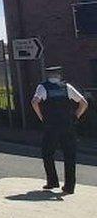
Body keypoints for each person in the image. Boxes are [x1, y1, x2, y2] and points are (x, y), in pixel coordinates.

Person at [31, 66, 88, 195]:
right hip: (68, 125)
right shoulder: (66, 87)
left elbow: (34, 102)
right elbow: (84, 103)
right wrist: (76, 116)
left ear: (47, 75)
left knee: (47, 153)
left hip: (51, 126)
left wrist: (41, 117)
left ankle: (52, 181)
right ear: (59, 75)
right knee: (69, 155)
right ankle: (69, 187)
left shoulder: (42, 87)